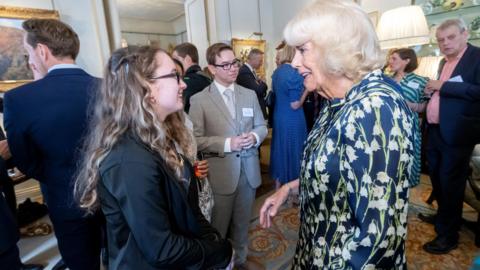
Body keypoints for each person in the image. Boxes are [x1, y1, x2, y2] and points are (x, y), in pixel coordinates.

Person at [259, 0, 416, 268]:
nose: (295, 63)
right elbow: (342, 173)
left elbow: (378, 239)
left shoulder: (375, 108)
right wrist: (289, 187)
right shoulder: (338, 100)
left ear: (336, 50)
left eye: (302, 50)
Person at [74, 46, 233, 269]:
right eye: (174, 76)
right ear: (145, 87)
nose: (184, 83)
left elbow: (188, 205)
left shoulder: (159, 135)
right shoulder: (128, 160)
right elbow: (162, 250)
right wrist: (220, 251)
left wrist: (212, 240)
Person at [3, 19, 103, 270]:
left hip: (63, 199)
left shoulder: (19, 99)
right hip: (115, 196)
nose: (29, 61)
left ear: (42, 51)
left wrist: (56, 177)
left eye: (28, 53)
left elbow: (25, 159)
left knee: (81, 263)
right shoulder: (110, 88)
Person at [188, 43, 268, 269]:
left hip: (249, 173)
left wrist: (254, 136)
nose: (233, 68)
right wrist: (227, 143)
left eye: (235, 63)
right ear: (212, 69)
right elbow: (194, 140)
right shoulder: (200, 100)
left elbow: (262, 125)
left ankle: (240, 262)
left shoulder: (249, 94)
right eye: (226, 65)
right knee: (218, 231)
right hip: (221, 177)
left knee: (243, 228)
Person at [420, 18, 480, 254]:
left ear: (465, 34)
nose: (445, 43)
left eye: (451, 37)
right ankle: (443, 217)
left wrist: (441, 86)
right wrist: (431, 90)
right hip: (435, 130)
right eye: (440, 40)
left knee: (451, 183)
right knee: (437, 179)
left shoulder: (476, 57)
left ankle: (448, 236)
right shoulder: (444, 63)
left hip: (458, 134)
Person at [388, 48, 429, 187]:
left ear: (407, 60)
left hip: (407, 128)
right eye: (390, 58)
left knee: (404, 163)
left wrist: (412, 105)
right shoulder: (386, 80)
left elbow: (427, 107)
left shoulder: (421, 81)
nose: (390, 61)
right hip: (385, 127)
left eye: (394, 58)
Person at [269, 45, 307, 189]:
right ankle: (294, 190)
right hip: (293, 117)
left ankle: (278, 186)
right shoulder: (294, 73)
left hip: (279, 116)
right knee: (294, 150)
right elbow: (295, 104)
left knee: (280, 149)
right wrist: (307, 91)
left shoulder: (277, 72)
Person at [172, 42, 212, 113]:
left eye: (176, 60)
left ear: (188, 59)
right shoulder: (205, 77)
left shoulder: (187, 82)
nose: (173, 64)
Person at [236, 49, 268, 120]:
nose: (261, 63)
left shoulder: (250, 71)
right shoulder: (244, 72)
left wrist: (259, 84)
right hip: (250, 111)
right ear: (253, 59)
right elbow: (258, 90)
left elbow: (260, 91)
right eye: (260, 61)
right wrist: (263, 82)